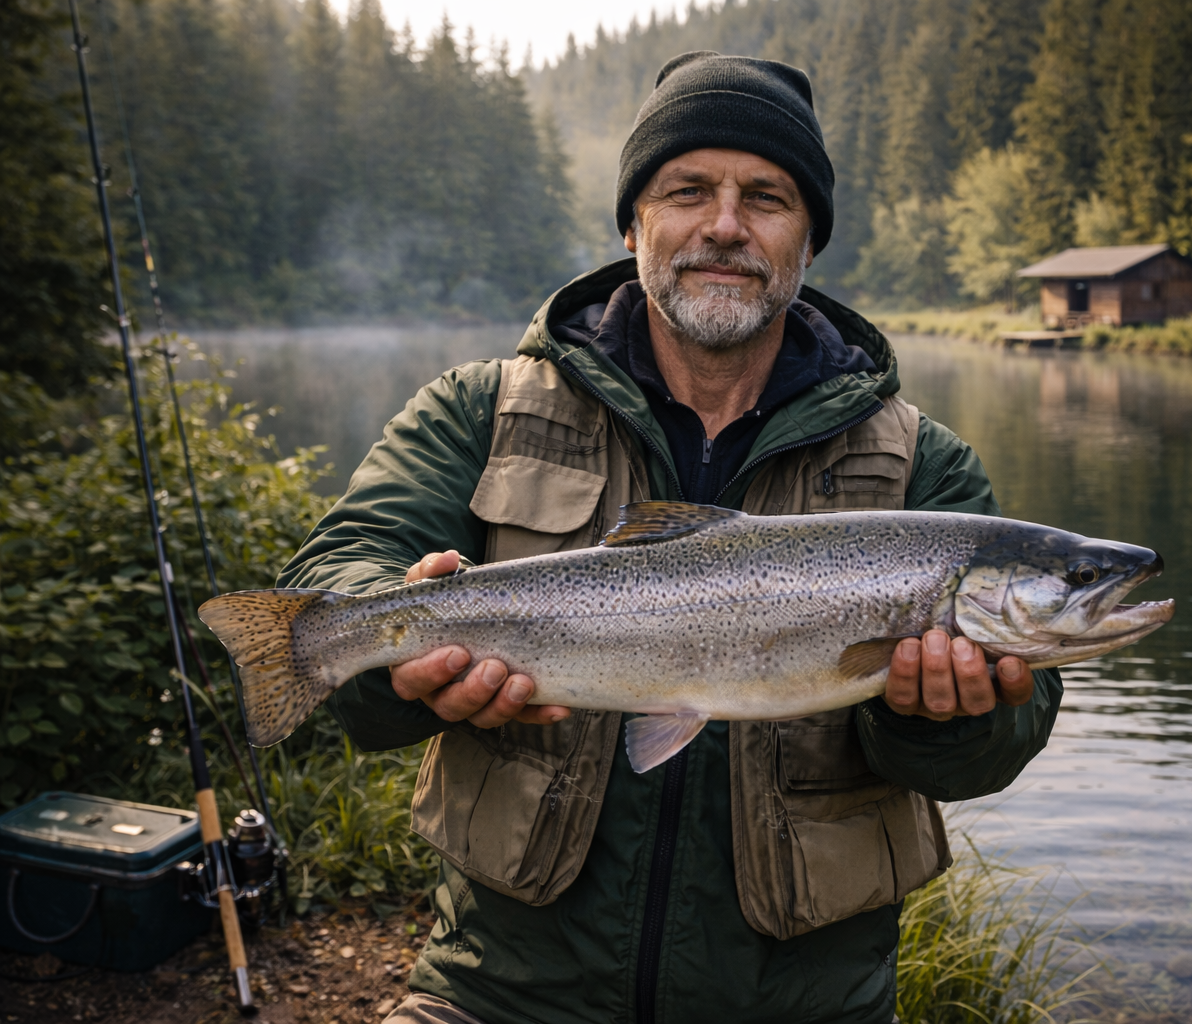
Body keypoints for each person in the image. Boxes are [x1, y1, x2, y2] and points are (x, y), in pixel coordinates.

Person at [277, 51, 1063, 1024]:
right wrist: (392, 661)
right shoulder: (477, 410)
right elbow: (334, 577)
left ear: (808, 239)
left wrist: (948, 716)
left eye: (766, 198)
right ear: (633, 221)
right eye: (688, 189)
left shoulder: (927, 475)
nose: (725, 226)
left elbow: (999, 745)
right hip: (498, 994)